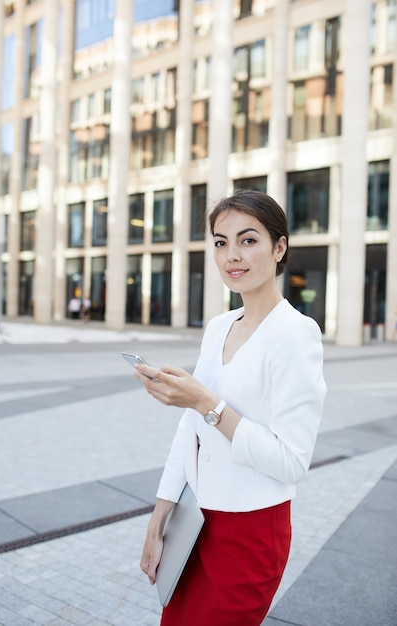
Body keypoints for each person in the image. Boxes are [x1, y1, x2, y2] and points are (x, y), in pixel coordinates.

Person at [135, 190, 326, 626]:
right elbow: (191, 430)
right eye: (221, 242)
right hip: (194, 519)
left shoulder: (297, 334)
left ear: (279, 248)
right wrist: (158, 518)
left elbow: (291, 461)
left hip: (251, 533)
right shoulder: (219, 325)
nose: (232, 256)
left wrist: (206, 402)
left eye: (248, 240)